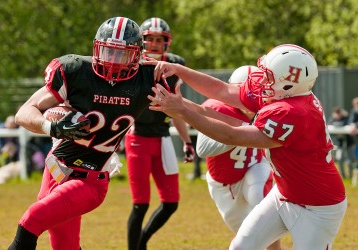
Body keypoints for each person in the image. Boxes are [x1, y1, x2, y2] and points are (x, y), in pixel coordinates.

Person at [146, 44, 347, 249]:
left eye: (269, 76)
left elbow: (230, 135)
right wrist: (178, 69)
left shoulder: (292, 112)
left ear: (287, 85)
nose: (262, 79)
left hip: (318, 207)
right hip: (285, 195)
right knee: (240, 246)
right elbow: (222, 90)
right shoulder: (285, 94)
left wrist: (183, 110)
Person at [8, 16, 167, 250]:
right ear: (96, 48)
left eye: (121, 54)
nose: (112, 61)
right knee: (65, 246)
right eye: (108, 51)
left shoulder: (148, 79)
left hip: (90, 179)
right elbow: (24, 112)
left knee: (32, 220)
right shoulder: (76, 71)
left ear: (136, 55)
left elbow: (185, 108)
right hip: (55, 168)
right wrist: (50, 127)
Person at [125, 17, 195, 250]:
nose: (154, 44)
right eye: (149, 39)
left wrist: (186, 141)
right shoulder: (130, 64)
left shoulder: (174, 65)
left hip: (163, 137)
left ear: (166, 42)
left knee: (171, 202)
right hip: (137, 138)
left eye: (159, 39)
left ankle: (142, 242)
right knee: (140, 204)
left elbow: (177, 109)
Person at [196, 65, 280, 250]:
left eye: (259, 93)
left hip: (255, 166)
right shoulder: (216, 108)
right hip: (223, 183)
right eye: (250, 93)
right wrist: (237, 132)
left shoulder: (269, 108)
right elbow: (202, 149)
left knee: (262, 206)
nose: (256, 100)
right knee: (247, 236)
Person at [328, 106, 355, 179]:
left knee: (350, 160)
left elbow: (348, 124)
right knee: (339, 159)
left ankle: (350, 175)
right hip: (340, 143)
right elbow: (329, 126)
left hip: (348, 143)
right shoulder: (332, 119)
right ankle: (343, 176)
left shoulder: (346, 118)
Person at [348, 96, 358, 186]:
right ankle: (355, 181)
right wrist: (353, 125)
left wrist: (355, 126)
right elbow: (351, 121)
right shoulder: (354, 111)